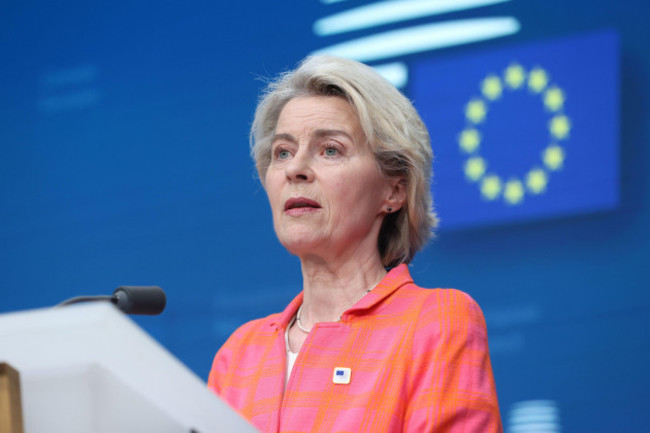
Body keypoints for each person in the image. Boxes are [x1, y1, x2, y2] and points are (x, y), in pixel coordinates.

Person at [208, 55, 502, 432]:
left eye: (330, 149)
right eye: (282, 152)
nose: (295, 168)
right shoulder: (239, 354)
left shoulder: (436, 321)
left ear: (394, 190)